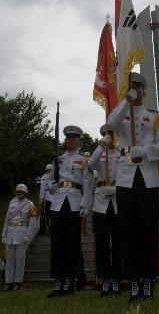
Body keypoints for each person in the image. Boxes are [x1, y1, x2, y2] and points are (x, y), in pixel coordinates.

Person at [107, 72, 159, 302]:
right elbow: (110, 124)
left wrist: (145, 151)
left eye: (138, 87)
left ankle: (148, 280)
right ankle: (134, 280)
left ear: (144, 90)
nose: (135, 90)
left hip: (147, 177)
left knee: (148, 231)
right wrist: (125, 101)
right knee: (127, 231)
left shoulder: (155, 117)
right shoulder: (122, 113)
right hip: (125, 178)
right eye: (132, 87)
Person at [48, 125, 93, 297]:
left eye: (73, 138)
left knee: (72, 244)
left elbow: (87, 183)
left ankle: (69, 281)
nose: (70, 140)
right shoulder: (57, 160)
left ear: (78, 140)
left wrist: (85, 205)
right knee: (57, 243)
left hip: (74, 201)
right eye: (68, 138)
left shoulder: (83, 159)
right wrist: (52, 186)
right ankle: (58, 282)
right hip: (58, 202)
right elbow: (50, 183)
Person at [89, 125, 122, 297]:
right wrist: (102, 145)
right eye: (106, 135)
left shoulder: (121, 154)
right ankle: (105, 280)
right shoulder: (98, 154)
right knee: (101, 243)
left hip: (117, 200)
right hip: (100, 200)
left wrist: (118, 190)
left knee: (117, 242)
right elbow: (90, 164)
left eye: (111, 135)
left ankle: (116, 279)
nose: (109, 138)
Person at [2, 184, 37, 291]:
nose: (19, 193)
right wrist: (4, 234)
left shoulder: (30, 205)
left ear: (25, 193)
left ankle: (17, 282)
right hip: (10, 234)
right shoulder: (12, 202)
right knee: (9, 260)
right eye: (18, 191)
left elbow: (33, 222)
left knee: (20, 260)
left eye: (21, 192)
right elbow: (7, 220)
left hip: (22, 234)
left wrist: (28, 236)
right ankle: (8, 282)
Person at [39, 164, 53, 234]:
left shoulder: (51, 176)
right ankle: (44, 228)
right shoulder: (45, 176)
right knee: (45, 213)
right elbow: (42, 188)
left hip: (52, 197)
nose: (49, 170)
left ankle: (48, 228)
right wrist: (41, 197)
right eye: (49, 169)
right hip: (47, 196)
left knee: (48, 214)